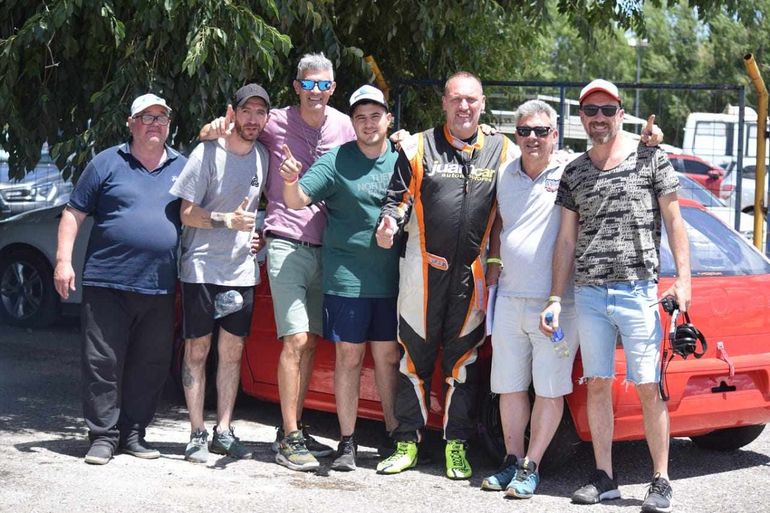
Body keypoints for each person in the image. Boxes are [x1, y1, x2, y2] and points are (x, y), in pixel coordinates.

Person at [482, 100, 663, 499]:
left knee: (550, 388)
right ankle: (511, 461)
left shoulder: (570, 169)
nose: (533, 138)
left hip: (558, 304)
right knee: (508, 387)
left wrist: (649, 140)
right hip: (509, 296)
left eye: (541, 131)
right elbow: (497, 223)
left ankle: (531, 467)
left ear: (556, 135)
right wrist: (494, 259)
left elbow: (609, 142)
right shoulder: (505, 173)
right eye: (525, 130)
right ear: (517, 135)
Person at [541, 79, 690, 513]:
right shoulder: (574, 171)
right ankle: (604, 477)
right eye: (591, 111)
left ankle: (660, 480)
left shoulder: (650, 157)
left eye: (608, 110)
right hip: (588, 293)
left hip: (639, 290)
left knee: (648, 386)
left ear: (621, 113)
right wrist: (555, 296)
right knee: (598, 385)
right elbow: (566, 241)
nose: (599, 118)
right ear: (581, 118)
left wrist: (684, 280)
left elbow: (675, 221)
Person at [200, 52, 355, 470]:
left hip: (329, 245)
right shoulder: (273, 121)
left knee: (312, 345)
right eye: (309, 84)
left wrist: (399, 139)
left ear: (333, 89)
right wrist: (212, 128)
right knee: (296, 339)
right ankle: (288, 439)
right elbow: (230, 131)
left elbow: (376, 142)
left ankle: (294, 427)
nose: (316, 92)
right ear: (297, 87)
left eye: (324, 85)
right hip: (286, 240)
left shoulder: (343, 125)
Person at [375, 71, 517, 479]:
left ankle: (456, 445)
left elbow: (538, 172)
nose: (464, 107)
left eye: (471, 100)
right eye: (456, 99)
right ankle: (406, 443)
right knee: (413, 362)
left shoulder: (502, 150)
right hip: (422, 272)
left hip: (471, 281)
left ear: (483, 103)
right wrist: (388, 223)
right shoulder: (418, 146)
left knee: (463, 366)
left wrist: (494, 265)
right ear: (444, 103)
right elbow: (396, 200)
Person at [54, 93, 187, 465]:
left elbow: (201, 217)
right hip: (107, 282)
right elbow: (73, 213)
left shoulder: (183, 166)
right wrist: (63, 261)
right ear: (131, 123)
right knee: (103, 362)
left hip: (159, 284)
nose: (155, 124)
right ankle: (102, 436)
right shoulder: (106, 163)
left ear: (169, 125)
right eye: (146, 117)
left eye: (161, 117)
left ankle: (133, 433)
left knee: (151, 364)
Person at [280, 85, 400, 472]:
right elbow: (297, 199)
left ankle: (393, 435)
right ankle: (347, 441)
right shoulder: (336, 160)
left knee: (387, 358)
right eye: (360, 117)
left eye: (375, 116)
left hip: (393, 279)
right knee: (349, 358)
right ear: (352, 123)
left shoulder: (404, 159)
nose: (368, 124)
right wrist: (289, 178)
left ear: (388, 120)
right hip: (346, 278)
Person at [171, 84, 271, 463]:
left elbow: (258, 214)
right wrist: (226, 220)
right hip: (200, 268)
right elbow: (186, 213)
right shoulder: (206, 153)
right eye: (247, 111)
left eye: (260, 112)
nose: (253, 119)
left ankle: (223, 430)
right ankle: (196, 432)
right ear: (233, 112)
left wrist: (257, 235)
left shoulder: (262, 156)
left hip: (241, 272)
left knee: (232, 352)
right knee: (198, 349)